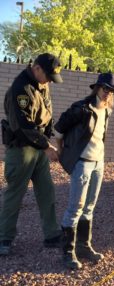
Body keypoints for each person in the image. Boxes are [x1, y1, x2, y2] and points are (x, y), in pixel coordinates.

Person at [54, 72, 114, 269]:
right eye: (106, 89)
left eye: (112, 91)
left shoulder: (106, 110)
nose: (108, 93)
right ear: (97, 88)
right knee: (75, 207)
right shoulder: (81, 109)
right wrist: (61, 150)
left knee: (89, 207)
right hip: (82, 163)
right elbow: (59, 129)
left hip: (98, 163)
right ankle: (68, 252)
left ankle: (84, 246)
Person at [0, 53, 63, 256]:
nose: (49, 81)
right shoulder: (21, 88)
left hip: (38, 149)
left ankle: (52, 234)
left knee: (46, 192)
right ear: (36, 68)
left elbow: (47, 114)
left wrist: (49, 140)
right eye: (48, 76)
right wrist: (47, 147)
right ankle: (4, 238)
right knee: (15, 195)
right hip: (21, 150)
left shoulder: (41, 84)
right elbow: (23, 126)